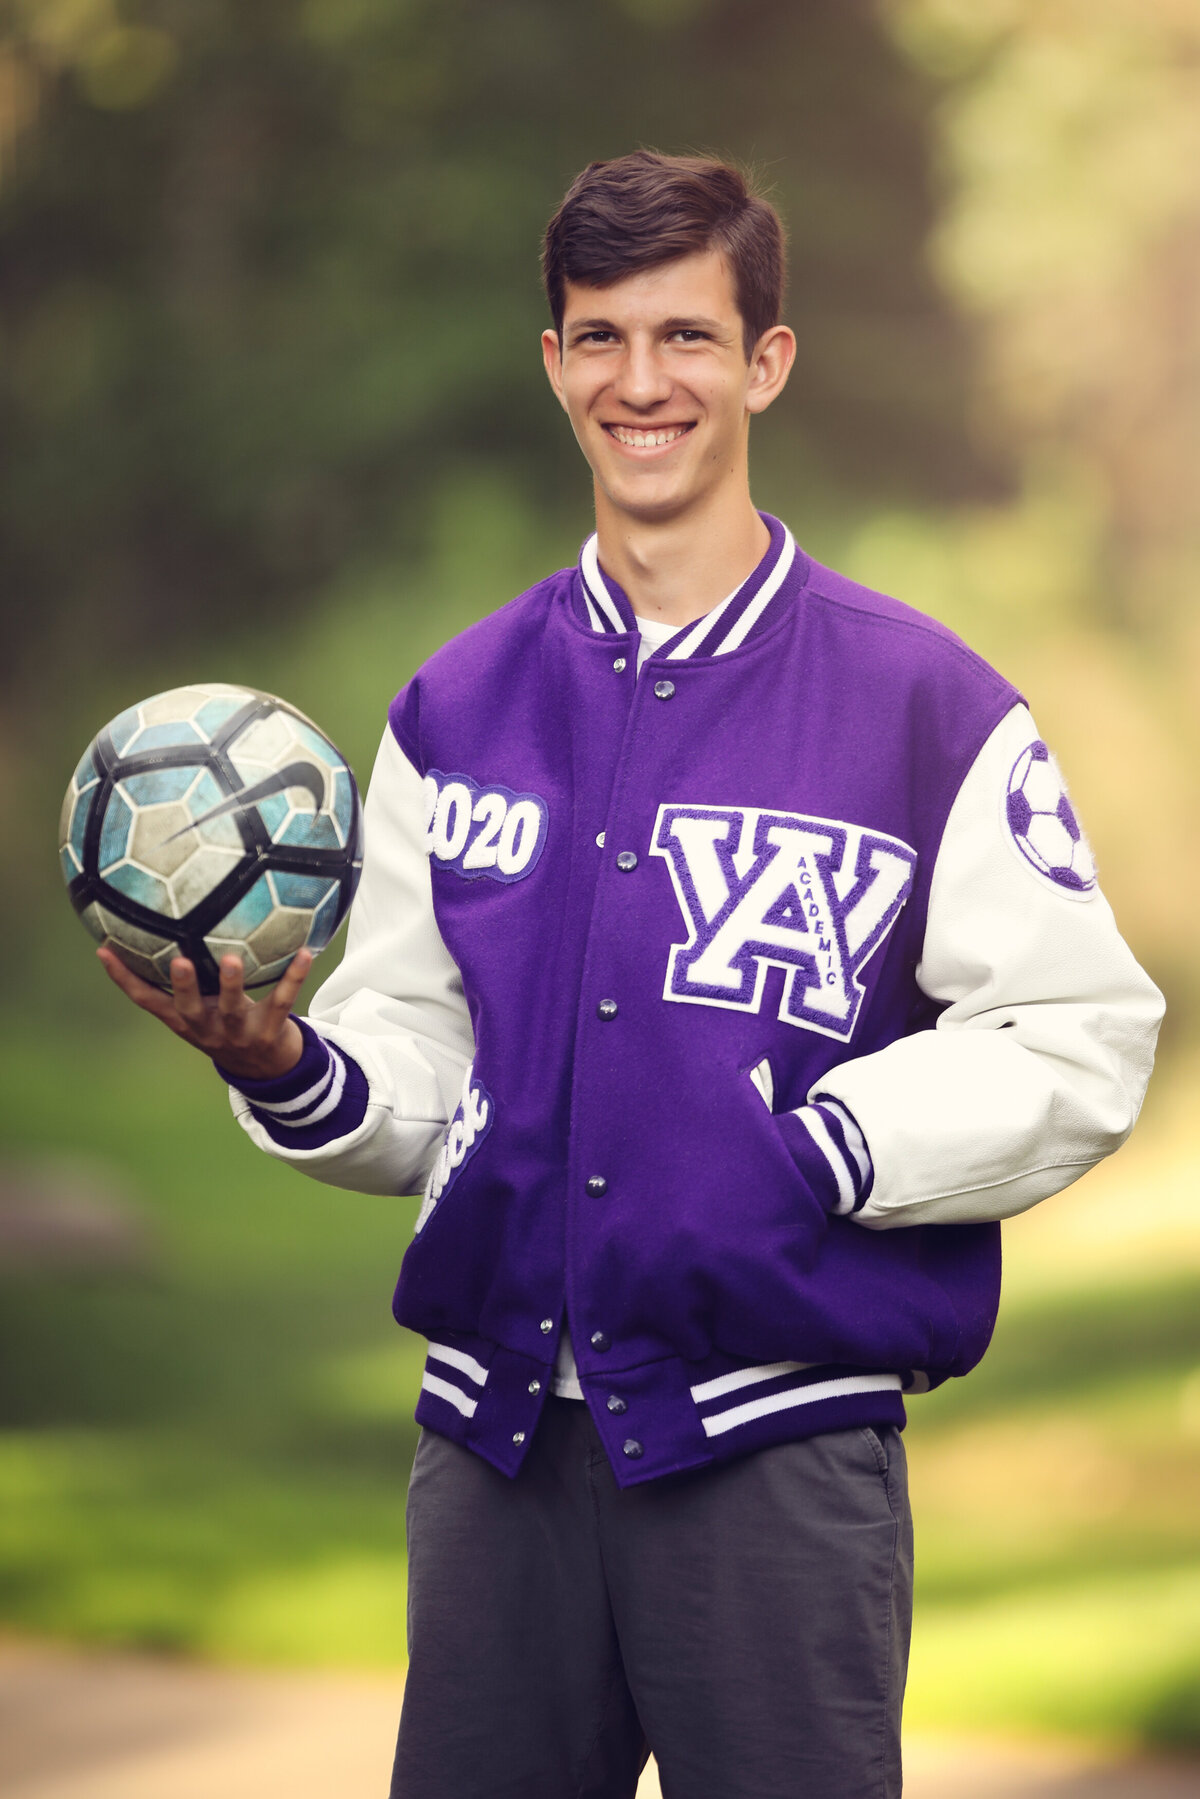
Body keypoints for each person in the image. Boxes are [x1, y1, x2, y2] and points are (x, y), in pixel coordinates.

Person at [100, 151, 1163, 1799]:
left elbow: (1084, 1034)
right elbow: (420, 1063)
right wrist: (283, 1065)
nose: (640, 382)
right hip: (495, 1458)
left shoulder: (924, 705)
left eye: (684, 336)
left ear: (765, 361)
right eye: (599, 338)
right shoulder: (455, 709)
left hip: (778, 1453)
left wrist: (822, 1148)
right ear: (554, 366)